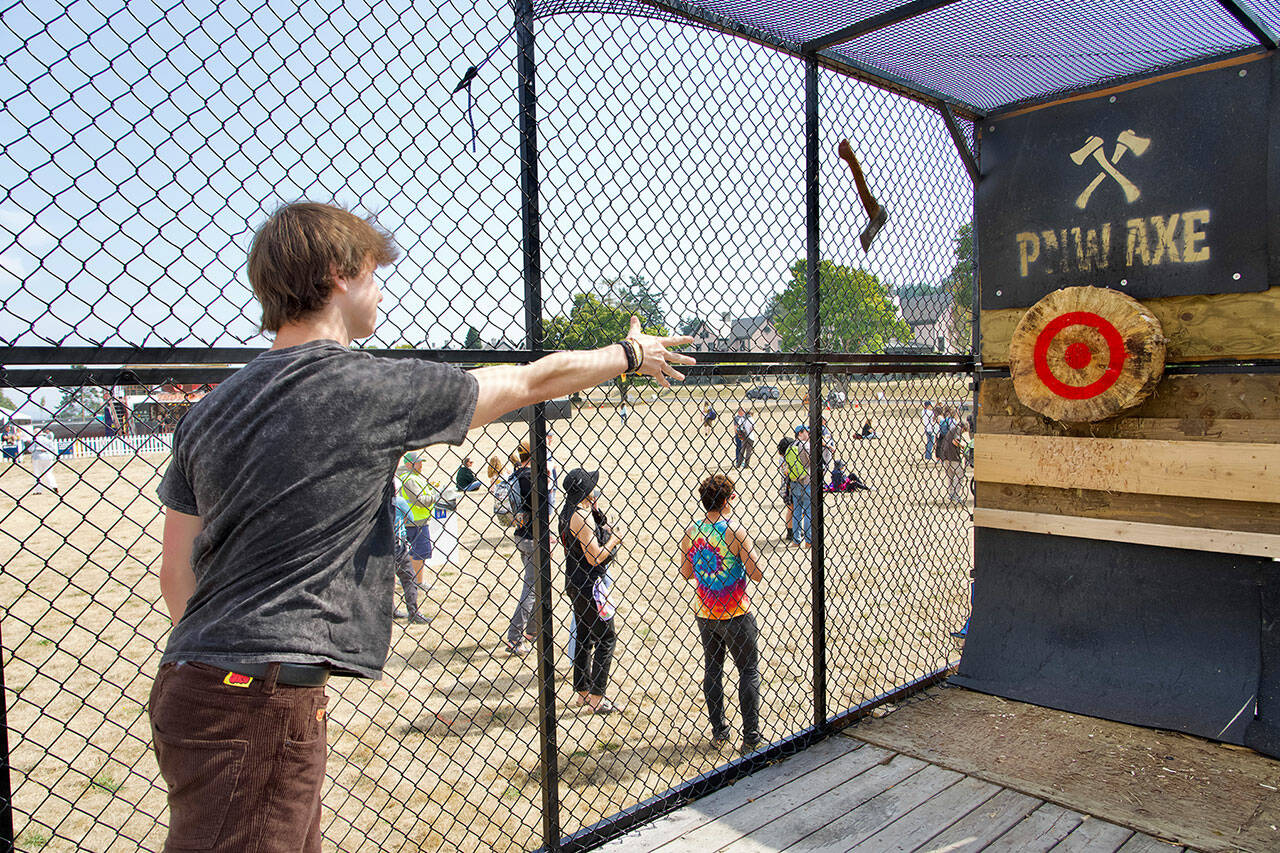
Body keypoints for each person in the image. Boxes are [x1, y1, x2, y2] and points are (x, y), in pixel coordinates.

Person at [151, 201, 693, 851]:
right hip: (260, 696)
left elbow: (175, 574)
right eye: (375, 274)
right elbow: (528, 380)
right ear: (338, 274)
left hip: (195, 680)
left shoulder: (209, 411)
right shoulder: (370, 387)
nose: (380, 291)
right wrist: (628, 352)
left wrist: (227, 667)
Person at [680, 474, 763, 754]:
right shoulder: (735, 531)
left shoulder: (691, 532)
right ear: (728, 500)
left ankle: (719, 731)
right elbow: (756, 574)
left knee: (713, 669)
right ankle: (750, 736)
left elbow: (687, 573)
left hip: (705, 612)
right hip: (736, 612)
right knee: (748, 670)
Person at [560, 468, 623, 714]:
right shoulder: (581, 517)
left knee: (584, 637)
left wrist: (596, 513)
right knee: (606, 638)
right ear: (585, 491)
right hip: (590, 586)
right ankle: (597, 698)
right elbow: (595, 556)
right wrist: (614, 539)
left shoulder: (569, 512)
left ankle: (583, 692)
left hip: (576, 582)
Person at [504, 441, 538, 656]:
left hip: (521, 535)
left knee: (536, 585)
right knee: (532, 589)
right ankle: (514, 637)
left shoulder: (516, 475)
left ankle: (533, 631)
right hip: (532, 538)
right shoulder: (530, 478)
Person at [398, 451, 439, 585]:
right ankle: (417, 582)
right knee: (421, 552)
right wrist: (437, 497)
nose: (421, 465)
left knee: (413, 551)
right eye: (418, 462)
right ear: (410, 464)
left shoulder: (412, 477)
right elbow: (419, 500)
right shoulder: (410, 479)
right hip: (416, 521)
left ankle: (406, 577)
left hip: (414, 520)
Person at [392, 492, 427, 624]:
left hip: (380, 545)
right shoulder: (399, 501)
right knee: (409, 578)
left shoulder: (376, 501)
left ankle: (391, 610)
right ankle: (413, 612)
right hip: (397, 545)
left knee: (387, 579)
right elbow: (411, 518)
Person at [785, 426, 812, 547]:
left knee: (796, 511)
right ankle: (808, 540)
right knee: (808, 512)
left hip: (794, 481)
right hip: (806, 480)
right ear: (801, 433)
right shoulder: (805, 445)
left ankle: (796, 540)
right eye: (806, 431)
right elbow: (812, 460)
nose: (808, 434)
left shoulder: (790, 447)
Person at [937, 409, 968, 504]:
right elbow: (955, 441)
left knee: (950, 476)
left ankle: (950, 493)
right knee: (960, 474)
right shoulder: (958, 429)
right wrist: (962, 446)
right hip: (953, 456)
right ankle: (955, 494)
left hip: (945, 455)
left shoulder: (952, 429)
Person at [30, 427, 59, 495]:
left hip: (37, 457)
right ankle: (54, 486)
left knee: (37, 474)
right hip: (48, 457)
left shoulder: (35, 440)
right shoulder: (47, 440)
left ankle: (38, 490)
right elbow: (53, 449)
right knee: (48, 472)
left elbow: (31, 449)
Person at [776, 436, 794, 541]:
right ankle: (790, 530)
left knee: (791, 509)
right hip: (788, 488)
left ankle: (791, 530)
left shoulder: (782, 458)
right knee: (792, 509)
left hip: (785, 488)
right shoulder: (786, 458)